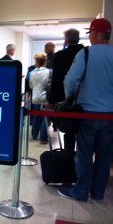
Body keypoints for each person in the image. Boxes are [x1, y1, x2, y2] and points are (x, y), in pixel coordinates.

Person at [58, 18, 113, 202]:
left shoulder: (86, 54)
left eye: (90, 34)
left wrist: (69, 96)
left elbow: (71, 80)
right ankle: (98, 193)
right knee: (104, 157)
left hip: (88, 113)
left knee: (84, 155)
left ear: (96, 34)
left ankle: (81, 192)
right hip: (110, 116)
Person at [48, 29, 84, 151]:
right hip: (84, 98)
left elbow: (56, 80)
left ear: (66, 40)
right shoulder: (86, 52)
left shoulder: (59, 56)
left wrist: (52, 101)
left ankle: (69, 156)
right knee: (84, 132)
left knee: (69, 130)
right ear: (79, 39)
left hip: (64, 99)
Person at [29, 53, 51, 144]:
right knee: (45, 118)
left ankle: (34, 135)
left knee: (36, 117)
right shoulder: (49, 72)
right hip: (45, 98)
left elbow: (30, 86)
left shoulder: (31, 73)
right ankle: (43, 138)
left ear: (36, 61)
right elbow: (49, 85)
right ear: (45, 61)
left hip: (35, 97)